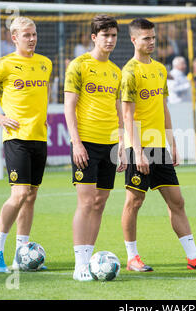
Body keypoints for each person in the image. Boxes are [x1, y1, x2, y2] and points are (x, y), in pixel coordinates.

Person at [120, 18, 196, 272]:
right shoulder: (129, 72)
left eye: (153, 37)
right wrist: (137, 152)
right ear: (134, 40)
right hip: (138, 147)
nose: (151, 42)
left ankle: (193, 257)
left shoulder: (161, 70)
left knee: (177, 201)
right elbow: (127, 116)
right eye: (145, 38)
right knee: (134, 202)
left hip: (160, 147)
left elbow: (163, 109)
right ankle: (132, 257)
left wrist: (172, 143)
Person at [0, 16, 52, 273]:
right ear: (14, 38)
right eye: (26, 35)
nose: (32, 38)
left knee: (31, 196)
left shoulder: (46, 64)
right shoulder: (2, 65)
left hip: (40, 137)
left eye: (34, 33)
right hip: (16, 138)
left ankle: (22, 256)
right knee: (19, 195)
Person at [63, 14, 127, 282]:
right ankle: (79, 265)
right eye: (105, 36)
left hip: (111, 143)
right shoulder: (78, 66)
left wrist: (123, 143)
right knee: (86, 202)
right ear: (94, 37)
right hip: (86, 143)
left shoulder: (116, 71)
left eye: (113, 36)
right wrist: (76, 142)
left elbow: (118, 110)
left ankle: (89, 260)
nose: (110, 40)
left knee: (100, 203)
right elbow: (69, 107)